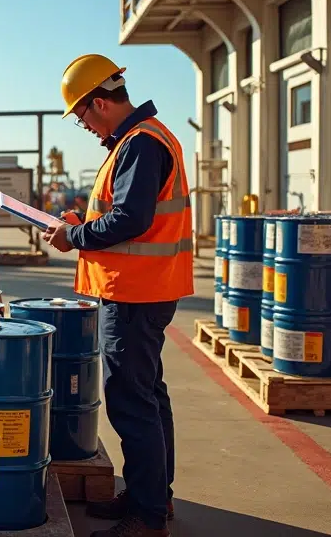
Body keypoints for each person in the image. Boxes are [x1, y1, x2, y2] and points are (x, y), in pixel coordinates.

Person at [42, 54, 192, 537]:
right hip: (144, 291)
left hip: (134, 295)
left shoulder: (140, 144)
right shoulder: (144, 138)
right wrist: (78, 227)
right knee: (149, 394)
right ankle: (154, 496)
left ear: (101, 102)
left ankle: (147, 518)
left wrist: (74, 236)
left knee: (130, 401)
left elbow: (131, 219)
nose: (82, 124)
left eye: (82, 114)